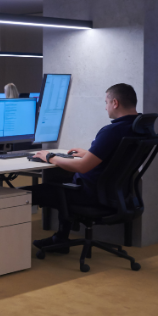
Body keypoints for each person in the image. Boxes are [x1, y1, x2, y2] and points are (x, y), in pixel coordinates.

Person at [27, 83, 141, 251]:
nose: (105, 107)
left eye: (106, 102)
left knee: (26, 193)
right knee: (60, 180)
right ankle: (61, 239)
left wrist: (51, 157)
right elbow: (117, 158)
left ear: (115, 103)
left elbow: (81, 167)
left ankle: (14, 245)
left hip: (90, 195)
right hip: (120, 195)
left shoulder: (112, 131)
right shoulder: (140, 128)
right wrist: (90, 154)